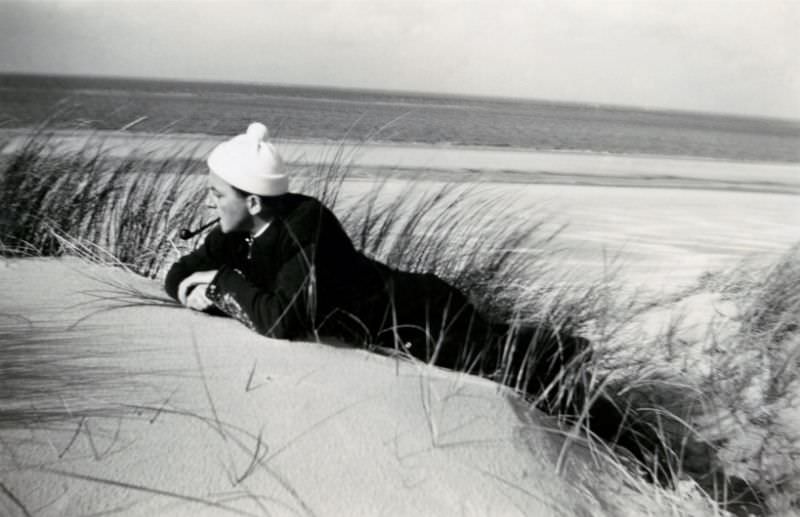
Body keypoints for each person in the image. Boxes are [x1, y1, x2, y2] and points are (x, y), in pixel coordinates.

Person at [164, 123, 670, 480]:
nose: (210, 204)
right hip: (399, 326)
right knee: (509, 364)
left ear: (252, 200)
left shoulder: (305, 225)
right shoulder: (238, 230)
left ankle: (640, 443)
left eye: (216, 195)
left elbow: (281, 321)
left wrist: (221, 286)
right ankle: (563, 363)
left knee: (520, 375)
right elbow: (177, 276)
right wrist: (210, 279)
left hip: (421, 317)